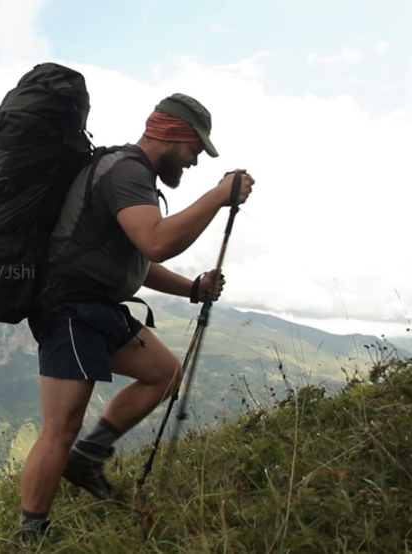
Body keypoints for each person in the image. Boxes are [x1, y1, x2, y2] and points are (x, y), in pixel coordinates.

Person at [13, 93, 255, 542]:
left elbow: (135, 259)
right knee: (60, 426)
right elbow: (157, 242)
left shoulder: (131, 174)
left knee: (164, 373)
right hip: (67, 308)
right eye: (194, 150)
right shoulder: (127, 171)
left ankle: (89, 456)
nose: (195, 161)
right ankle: (30, 535)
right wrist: (219, 196)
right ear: (172, 135)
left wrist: (192, 289)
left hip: (97, 306)